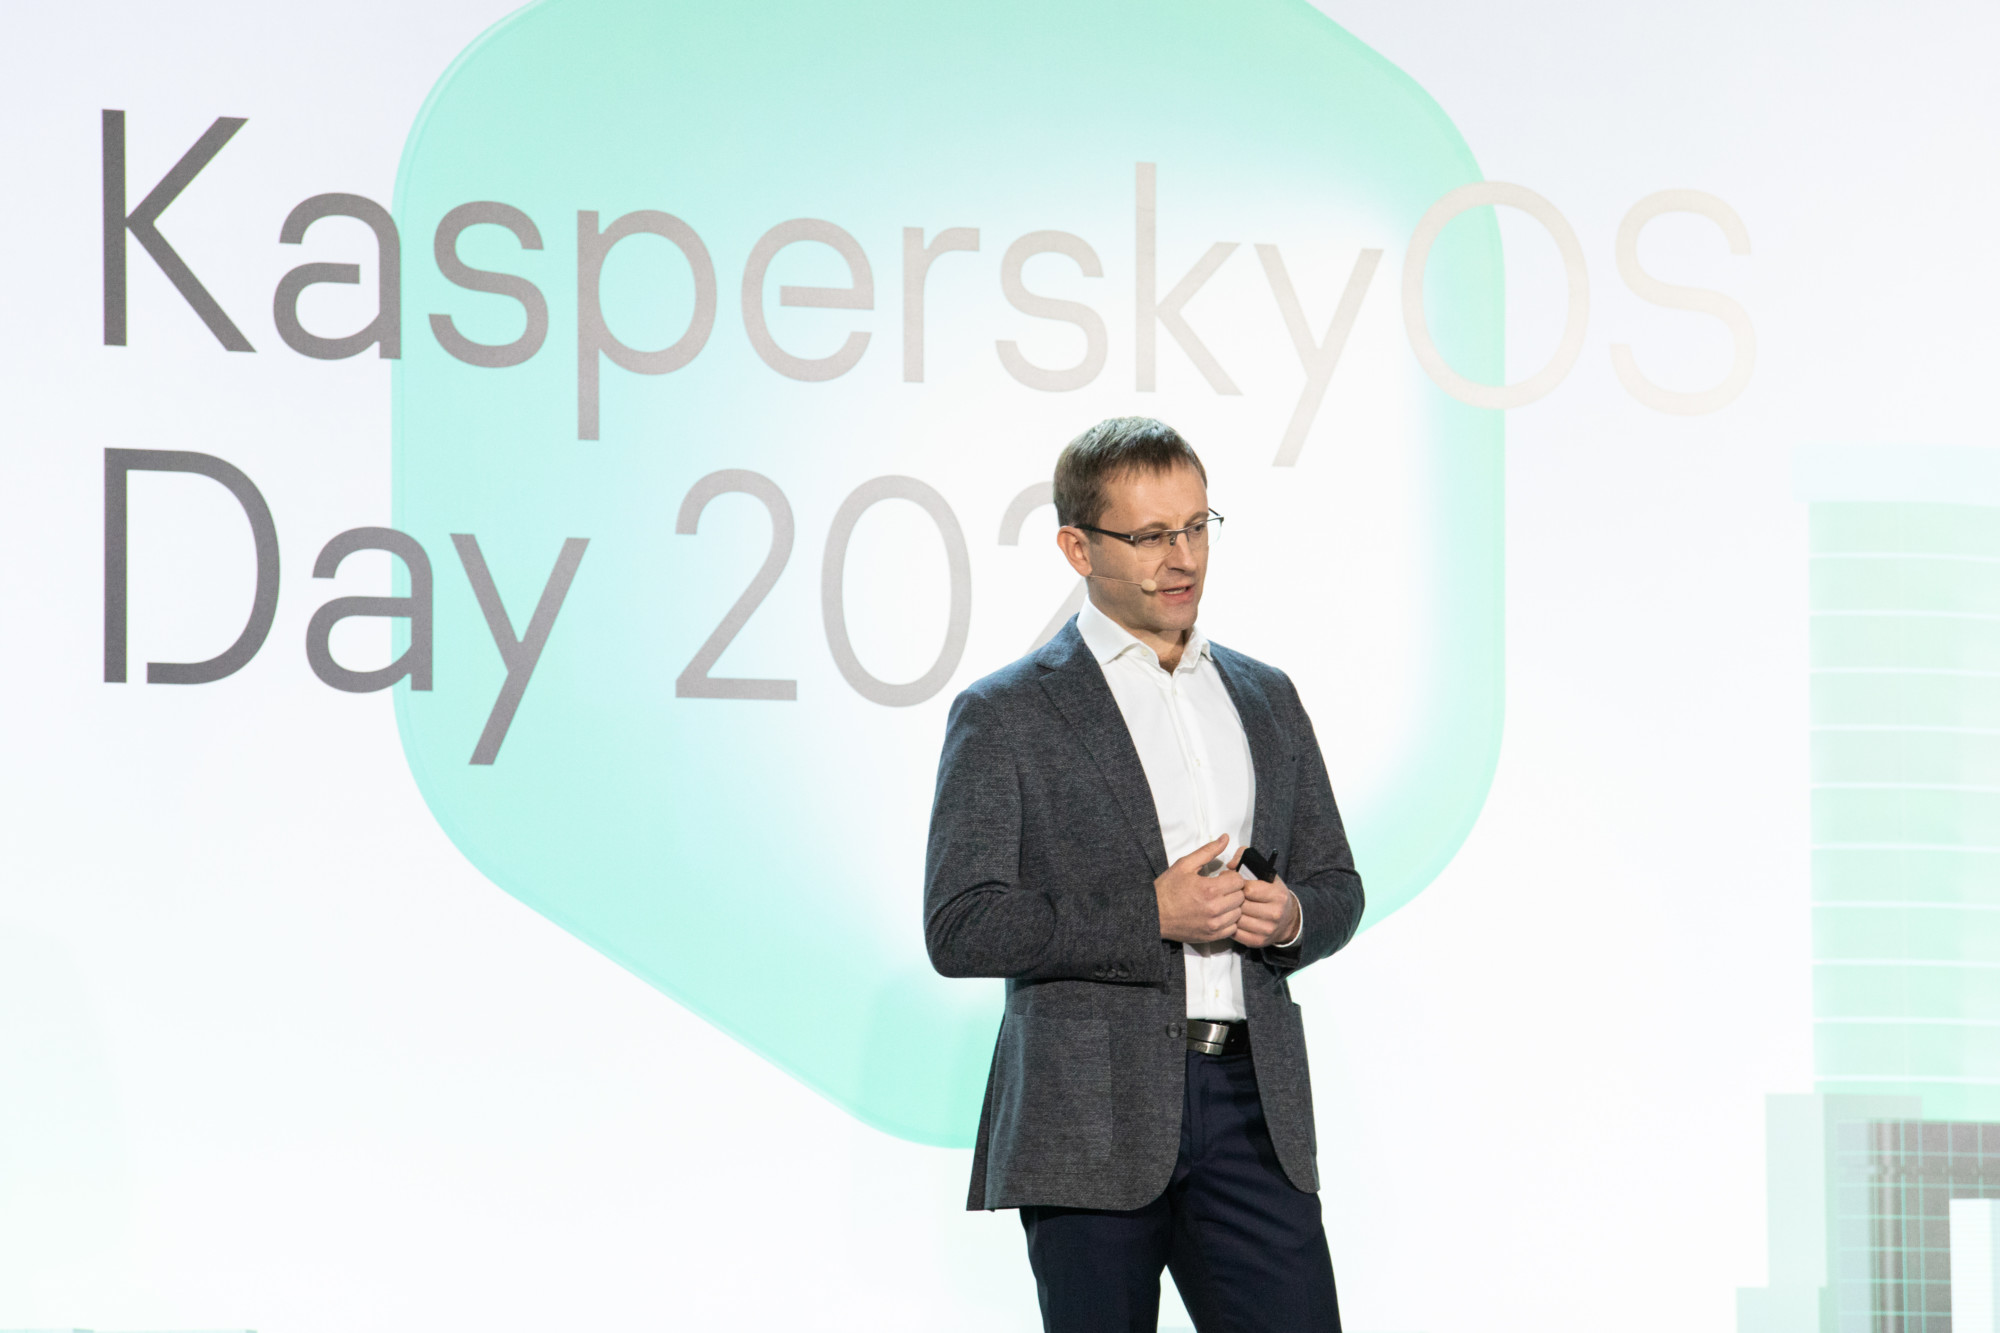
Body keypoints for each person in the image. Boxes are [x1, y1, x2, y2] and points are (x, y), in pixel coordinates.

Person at [924, 416, 1366, 1333]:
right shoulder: (1006, 712)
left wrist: (1289, 915)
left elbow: (1337, 883)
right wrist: (1151, 913)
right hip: (1089, 1112)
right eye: (1152, 534)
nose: (1184, 557)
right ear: (1077, 548)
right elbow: (961, 924)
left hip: (1252, 1105)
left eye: (1198, 526)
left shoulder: (1265, 695)